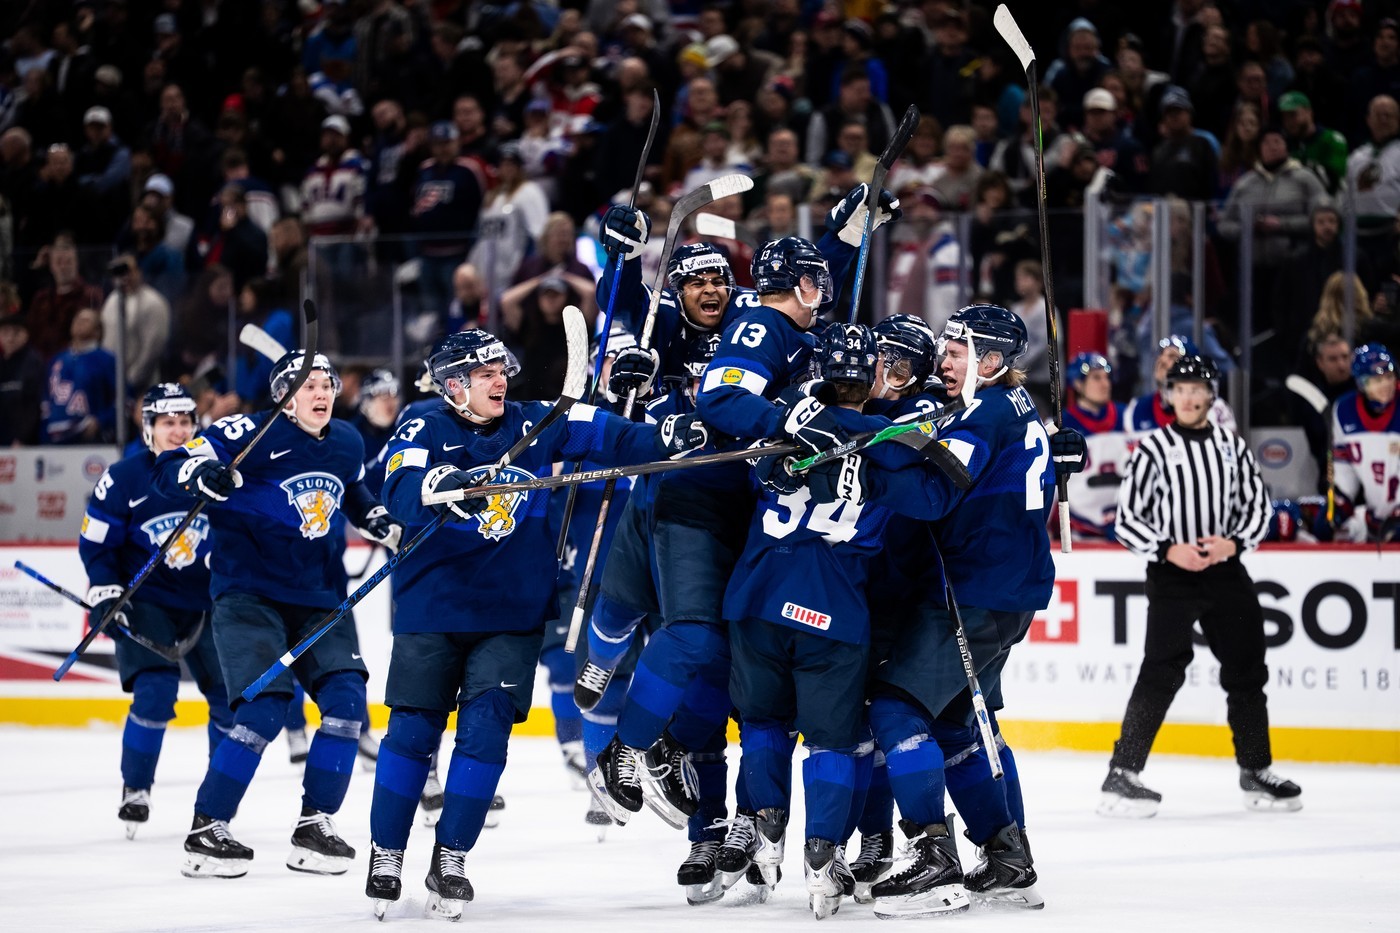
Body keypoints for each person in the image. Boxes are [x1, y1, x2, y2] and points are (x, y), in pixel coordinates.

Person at [366, 329, 707, 919]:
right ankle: (386, 852)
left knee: (485, 734)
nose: (501, 380)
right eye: (485, 373)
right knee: (412, 735)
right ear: (453, 386)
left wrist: (664, 436)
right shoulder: (425, 425)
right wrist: (438, 487)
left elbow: (610, 435)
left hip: (511, 616)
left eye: (502, 369)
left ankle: (450, 859)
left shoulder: (535, 422)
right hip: (433, 613)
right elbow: (397, 487)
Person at [722, 323, 951, 918]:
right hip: (833, 612)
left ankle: (765, 829)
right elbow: (934, 498)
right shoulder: (884, 440)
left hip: (758, 598)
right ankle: (822, 857)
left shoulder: (785, 419)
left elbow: (743, 441)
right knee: (832, 740)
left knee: (763, 723)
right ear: (870, 374)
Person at [153, 350, 403, 879]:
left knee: (345, 703)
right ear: (284, 398)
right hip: (249, 596)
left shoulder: (347, 440)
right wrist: (202, 475)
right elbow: (171, 467)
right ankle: (207, 828)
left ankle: (316, 825)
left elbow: (353, 488)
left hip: (321, 598)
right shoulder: (246, 431)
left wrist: (375, 517)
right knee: (265, 707)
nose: (322, 393)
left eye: (328, 384)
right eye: (308, 385)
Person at [863, 304, 1063, 917]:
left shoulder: (983, 411)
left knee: (897, 708)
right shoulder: (1018, 407)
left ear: (994, 361)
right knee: (955, 724)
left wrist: (865, 459)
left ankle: (933, 860)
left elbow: (930, 496)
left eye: (957, 352)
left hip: (974, 592)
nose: (943, 362)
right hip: (1009, 588)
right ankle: (1008, 857)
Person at [1102, 355, 1301, 818]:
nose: (1189, 397)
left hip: (1225, 572)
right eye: (1180, 388)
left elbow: (1259, 507)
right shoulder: (1152, 448)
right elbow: (1127, 519)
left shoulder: (1232, 446)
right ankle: (1122, 773)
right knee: (1162, 669)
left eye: (1197, 389)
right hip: (1172, 574)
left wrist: (1233, 543)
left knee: (1247, 670)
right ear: (1169, 395)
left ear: (1211, 396)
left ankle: (1256, 770)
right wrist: (1169, 549)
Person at [79, 384, 232, 839]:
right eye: (168, 423)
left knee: (229, 700)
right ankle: (136, 788)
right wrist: (105, 589)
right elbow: (97, 543)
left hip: (207, 602)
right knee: (155, 692)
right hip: (145, 601)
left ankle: (218, 800)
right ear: (148, 429)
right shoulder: (124, 477)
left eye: (185, 422)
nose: (178, 430)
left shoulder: (214, 473)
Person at [1332, 343, 1400, 542]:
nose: (1385, 385)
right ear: (1361, 383)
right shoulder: (1344, 411)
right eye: (1376, 380)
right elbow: (1344, 467)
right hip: (1376, 519)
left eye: (1389, 377)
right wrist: (1341, 500)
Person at [1125, 335, 1236, 438]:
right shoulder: (1136, 409)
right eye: (1161, 354)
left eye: (1172, 356)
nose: (1162, 360)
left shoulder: (1215, 408)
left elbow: (1229, 452)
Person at [42, 307, 117, 445]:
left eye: (86, 320)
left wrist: (101, 421)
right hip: (54, 437)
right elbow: (46, 400)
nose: (79, 322)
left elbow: (123, 400)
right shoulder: (57, 359)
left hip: (89, 439)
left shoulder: (107, 359)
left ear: (97, 331)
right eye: (77, 319)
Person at [100, 255, 171, 390]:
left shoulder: (153, 302)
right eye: (119, 272)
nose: (125, 277)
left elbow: (152, 350)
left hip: (139, 386)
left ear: (139, 272)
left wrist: (131, 382)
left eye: (129, 271)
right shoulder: (113, 299)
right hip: (110, 382)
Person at [0, 312, 44, 445]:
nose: (10, 338)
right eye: (6, 332)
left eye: (16, 332)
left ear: (26, 335)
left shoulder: (33, 362)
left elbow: (34, 405)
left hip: (24, 443)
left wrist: (22, 438)